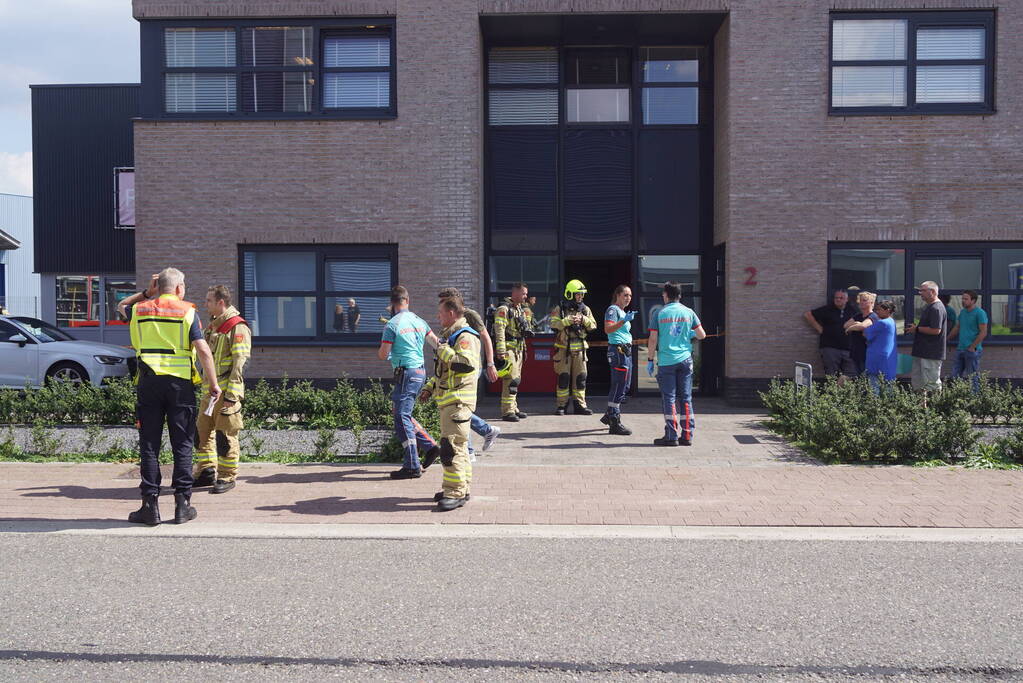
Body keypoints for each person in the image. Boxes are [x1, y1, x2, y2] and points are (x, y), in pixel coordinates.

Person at [122, 268, 220, 525]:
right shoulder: (187, 311)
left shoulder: (140, 309)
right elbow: (203, 350)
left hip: (148, 383)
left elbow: (121, 305)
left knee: (149, 445)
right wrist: (213, 384)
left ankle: (149, 507)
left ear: (158, 286)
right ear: (178, 288)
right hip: (180, 385)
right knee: (183, 444)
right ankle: (182, 506)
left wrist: (146, 293)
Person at [419, 297, 481, 511]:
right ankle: (461, 488)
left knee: (450, 448)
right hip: (451, 402)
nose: (438, 317)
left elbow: (465, 364)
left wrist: (442, 349)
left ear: (452, 313)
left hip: (458, 402)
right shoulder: (452, 336)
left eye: (441, 313)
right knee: (459, 447)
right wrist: (429, 387)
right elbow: (444, 372)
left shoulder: (465, 337)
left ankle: (454, 493)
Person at [192, 285, 251, 494]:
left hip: (226, 395)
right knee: (201, 433)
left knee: (225, 437)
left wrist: (232, 397)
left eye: (209, 300)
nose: (205, 304)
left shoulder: (236, 327)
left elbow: (240, 364)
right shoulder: (213, 326)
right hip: (209, 393)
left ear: (221, 302)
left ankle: (226, 476)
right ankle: (206, 470)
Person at [378, 286, 439, 480]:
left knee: (401, 417)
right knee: (400, 413)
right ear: (407, 300)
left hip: (406, 374)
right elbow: (436, 343)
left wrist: (390, 348)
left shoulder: (392, 325)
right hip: (420, 372)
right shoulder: (419, 320)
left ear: (392, 304)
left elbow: (383, 354)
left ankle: (412, 465)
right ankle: (429, 446)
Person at [438, 288, 501, 456]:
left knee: (460, 408)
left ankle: (470, 449)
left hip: (468, 365)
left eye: (444, 301)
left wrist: (490, 363)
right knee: (458, 408)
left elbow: (486, 337)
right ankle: (486, 431)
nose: (440, 305)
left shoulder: (470, 315)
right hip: (454, 366)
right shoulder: (448, 320)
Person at [647, 281, 706, 446]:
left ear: (666, 295)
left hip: (667, 362)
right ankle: (687, 435)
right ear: (679, 296)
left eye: (663, 293)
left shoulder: (659, 313)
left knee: (669, 398)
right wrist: (689, 333)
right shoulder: (689, 312)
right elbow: (701, 335)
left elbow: (653, 339)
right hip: (685, 360)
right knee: (686, 398)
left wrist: (650, 359)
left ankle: (671, 436)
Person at [550, 279, 597, 415]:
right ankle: (562, 406)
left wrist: (583, 319)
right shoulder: (560, 309)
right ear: (570, 294)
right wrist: (566, 321)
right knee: (563, 378)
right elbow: (553, 325)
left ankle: (580, 405)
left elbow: (593, 326)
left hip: (580, 351)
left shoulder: (585, 309)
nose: (580, 297)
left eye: (582, 294)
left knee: (581, 379)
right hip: (563, 350)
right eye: (578, 294)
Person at [493, 282, 534, 422]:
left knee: (516, 379)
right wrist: (501, 350)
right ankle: (507, 411)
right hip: (509, 350)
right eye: (523, 293)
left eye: (526, 294)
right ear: (515, 293)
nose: (525, 296)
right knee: (510, 380)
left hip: (518, 349)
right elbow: (499, 331)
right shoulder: (503, 309)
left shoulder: (519, 309)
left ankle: (513, 407)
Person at [602, 284, 636, 435]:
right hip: (618, 350)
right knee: (619, 385)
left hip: (625, 350)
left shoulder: (622, 311)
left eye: (630, 296)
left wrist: (625, 319)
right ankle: (614, 421)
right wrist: (623, 321)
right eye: (625, 295)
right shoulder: (613, 310)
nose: (628, 298)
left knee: (625, 385)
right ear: (618, 295)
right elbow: (608, 329)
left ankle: (609, 413)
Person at [803, 289, 856, 381]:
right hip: (830, 348)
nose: (838, 299)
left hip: (848, 348)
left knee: (851, 373)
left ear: (847, 299)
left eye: (841, 298)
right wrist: (820, 329)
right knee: (832, 374)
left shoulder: (852, 310)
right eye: (836, 298)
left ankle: (841, 389)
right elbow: (808, 315)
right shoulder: (827, 309)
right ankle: (832, 390)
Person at [906, 280, 947, 394]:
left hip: (931, 353)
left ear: (932, 292)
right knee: (919, 385)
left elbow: (936, 330)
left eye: (923, 290)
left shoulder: (936, 308)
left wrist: (917, 329)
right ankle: (922, 405)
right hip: (922, 352)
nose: (920, 293)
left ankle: (934, 405)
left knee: (931, 385)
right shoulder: (930, 306)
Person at [848, 299, 897, 395]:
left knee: (874, 388)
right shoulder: (892, 322)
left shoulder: (882, 323)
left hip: (877, 359)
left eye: (879, 309)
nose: (877, 312)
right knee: (888, 388)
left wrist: (854, 326)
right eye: (876, 309)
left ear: (887, 310)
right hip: (888, 359)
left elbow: (865, 333)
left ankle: (874, 404)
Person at [949, 290, 989, 393]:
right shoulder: (963, 312)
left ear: (973, 300)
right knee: (955, 376)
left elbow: (983, 332)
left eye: (966, 299)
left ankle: (974, 399)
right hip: (960, 348)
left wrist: (972, 347)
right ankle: (957, 397)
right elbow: (957, 327)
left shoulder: (980, 313)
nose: (963, 301)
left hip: (972, 350)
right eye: (962, 298)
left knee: (972, 377)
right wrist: (946, 339)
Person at [844, 291, 877, 376]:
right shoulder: (858, 316)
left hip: (866, 354)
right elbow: (845, 325)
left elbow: (863, 326)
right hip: (855, 353)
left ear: (871, 302)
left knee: (864, 378)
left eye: (864, 300)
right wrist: (857, 323)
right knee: (853, 377)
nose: (861, 302)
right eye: (860, 300)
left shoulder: (873, 316)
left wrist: (851, 328)